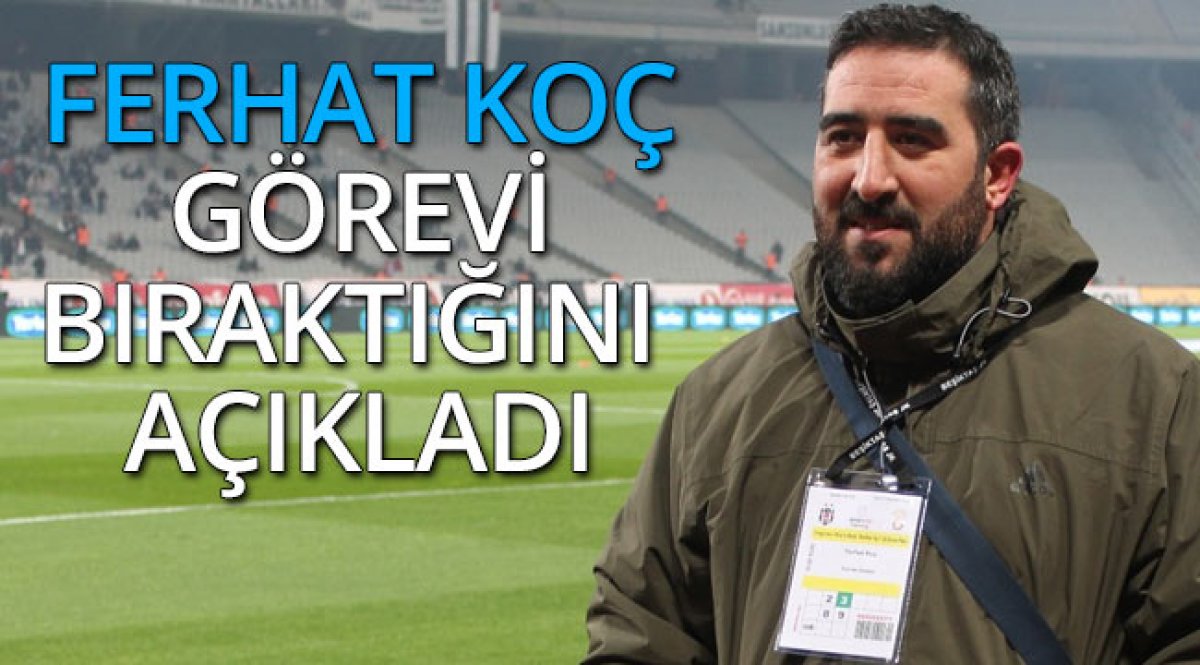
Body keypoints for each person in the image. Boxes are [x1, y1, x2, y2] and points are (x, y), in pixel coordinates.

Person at [585, 5, 1200, 664]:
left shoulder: (1153, 398)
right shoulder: (715, 401)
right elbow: (640, 632)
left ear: (996, 175)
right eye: (843, 138)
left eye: (912, 140)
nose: (869, 177)